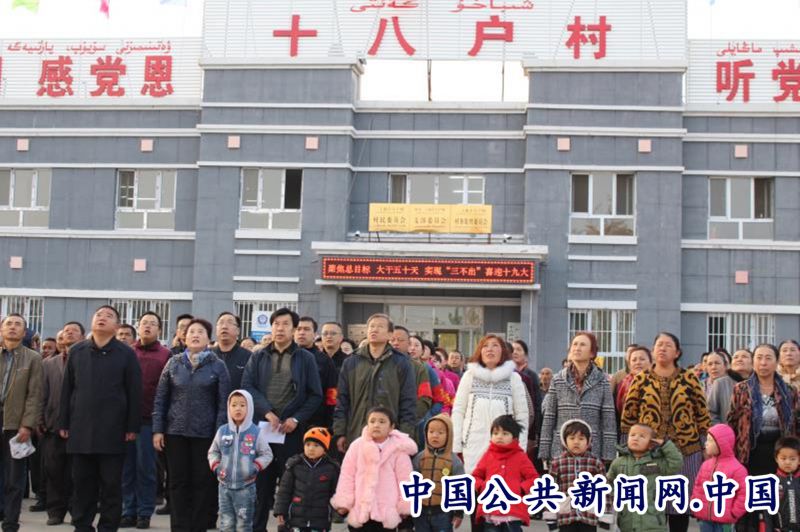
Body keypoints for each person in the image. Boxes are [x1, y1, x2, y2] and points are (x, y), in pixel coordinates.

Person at [59, 305, 143, 532]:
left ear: (116, 326)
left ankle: (108, 526)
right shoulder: (77, 351)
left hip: (113, 431)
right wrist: (63, 421)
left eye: (109, 316)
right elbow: (67, 389)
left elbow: (134, 391)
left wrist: (132, 426)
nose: (102, 318)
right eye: (99, 315)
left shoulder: (126, 354)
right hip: (81, 430)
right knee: (82, 485)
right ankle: (82, 525)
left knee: (111, 486)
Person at [241, 308, 323, 532]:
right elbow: (247, 386)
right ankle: (257, 527)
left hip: (290, 431)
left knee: (291, 483)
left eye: (285, 324)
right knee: (260, 483)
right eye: (276, 324)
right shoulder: (258, 356)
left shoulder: (305, 358)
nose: (280, 328)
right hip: (263, 428)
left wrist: (296, 419)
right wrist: (267, 412)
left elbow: (315, 395)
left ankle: (288, 526)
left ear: (294, 329)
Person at [621, 332, 710, 532]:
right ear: (653, 350)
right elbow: (629, 416)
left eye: (668, 345)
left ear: (677, 352)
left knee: (679, 506)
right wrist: (628, 447)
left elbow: (702, 415)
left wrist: (705, 445)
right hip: (649, 451)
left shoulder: (689, 378)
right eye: (659, 345)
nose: (662, 348)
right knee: (651, 505)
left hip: (686, 451)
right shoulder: (641, 379)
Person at [152, 318, 231, 532]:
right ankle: (179, 527)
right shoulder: (174, 363)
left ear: (208, 338)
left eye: (201, 332)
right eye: (191, 332)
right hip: (175, 432)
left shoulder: (217, 365)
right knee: (177, 482)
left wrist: (220, 434)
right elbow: (161, 398)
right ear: (184, 337)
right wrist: (158, 429)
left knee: (202, 482)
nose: (196, 335)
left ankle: (198, 526)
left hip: (206, 434)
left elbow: (223, 403)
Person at [334, 314, 416, 454]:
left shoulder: (401, 363)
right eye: (371, 326)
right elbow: (342, 399)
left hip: (389, 436)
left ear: (390, 334)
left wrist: (404, 435)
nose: (374, 329)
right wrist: (340, 432)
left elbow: (408, 403)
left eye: (380, 326)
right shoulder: (351, 362)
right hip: (357, 432)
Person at [121, 311, 171, 529]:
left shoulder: (165, 355)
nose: (147, 326)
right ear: (138, 327)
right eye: (144, 323)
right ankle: (128, 511)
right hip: (125, 420)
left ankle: (144, 512)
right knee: (126, 469)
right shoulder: (127, 352)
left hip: (149, 420)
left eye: (152, 323)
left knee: (146, 469)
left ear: (159, 329)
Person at [331, 407, 417, 531]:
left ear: (391, 427)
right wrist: (344, 501)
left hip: (386, 512)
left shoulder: (398, 449)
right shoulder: (357, 446)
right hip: (361, 510)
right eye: (372, 421)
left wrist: (405, 504)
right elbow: (347, 475)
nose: (376, 425)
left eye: (382, 422)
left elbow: (405, 478)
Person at [451, 334, 528, 473]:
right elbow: (458, 411)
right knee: (474, 483)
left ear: (503, 351)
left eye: (495, 345)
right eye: (485, 346)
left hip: (505, 447)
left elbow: (522, 415)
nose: (490, 349)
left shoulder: (514, 378)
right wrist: (456, 445)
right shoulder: (469, 376)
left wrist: (520, 448)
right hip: (472, 445)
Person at [539, 332, 616, 464]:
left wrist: (608, 454)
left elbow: (608, 419)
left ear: (592, 353)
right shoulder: (558, 380)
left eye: (582, 345)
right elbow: (549, 417)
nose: (577, 348)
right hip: (560, 450)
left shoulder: (602, 381)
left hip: (592, 450)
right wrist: (544, 450)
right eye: (574, 344)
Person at [0, 313, 44, 532]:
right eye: (8, 324)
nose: (13, 327)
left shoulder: (33, 358)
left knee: (14, 477)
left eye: (18, 324)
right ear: (1, 330)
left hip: (15, 424)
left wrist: (27, 425)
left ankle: (10, 522)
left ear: (24, 332)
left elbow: (35, 394)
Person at [728, 343, 799, 477]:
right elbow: (733, 421)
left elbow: (795, 423)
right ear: (753, 361)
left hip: (781, 453)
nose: (763, 363)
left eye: (768, 358)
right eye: (759, 358)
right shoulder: (741, 389)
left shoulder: (790, 391)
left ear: (777, 362)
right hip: (749, 451)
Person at [208, 390, 273, 532]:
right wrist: (216, 466)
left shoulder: (256, 432)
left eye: (243, 405)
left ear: (250, 408)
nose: (238, 409)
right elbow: (213, 451)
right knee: (226, 523)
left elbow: (267, 454)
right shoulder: (222, 431)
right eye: (234, 405)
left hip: (246, 487)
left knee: (244, 525)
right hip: (224, 487)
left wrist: (255, 466)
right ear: (228, 408)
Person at [40, 321, 83, 526]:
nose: (70, 333)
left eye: (75, 331)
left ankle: (77, 510)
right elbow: (42, 393)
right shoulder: (49, 363)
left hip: (79, 426)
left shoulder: (87, 361)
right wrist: (40, 419)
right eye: (67, 331)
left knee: (77, 473)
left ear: (82, 337)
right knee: (54, 471)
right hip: (53, 425)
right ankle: (55, 511)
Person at [607, 424, 682, 532]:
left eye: (642, 436)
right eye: (632, 435)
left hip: (653, 523)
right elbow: (609, 483)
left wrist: (665, 445)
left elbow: (676, 463)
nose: (636, 438)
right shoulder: (618, 462)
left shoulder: (657, 462)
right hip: (626, 523)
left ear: (651, 443)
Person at [472, 415, 539, 532]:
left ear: (514, 437)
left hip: (513, 510)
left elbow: (533, 478)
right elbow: (475, 476)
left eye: (505, 433)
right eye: (495, 433)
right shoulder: (488, 455)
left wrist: (521, 489)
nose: (499, 436)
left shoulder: (520, 457)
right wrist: (483, 487)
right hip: (491, 508)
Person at [273, 427, 340, 532]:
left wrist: (337, 512)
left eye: (316, 445)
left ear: (325, 449)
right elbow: (284, 491)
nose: (311, 449)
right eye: (308, 445)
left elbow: (336, 493)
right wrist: (280, 511)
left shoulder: (331, 468)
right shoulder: (294, 465)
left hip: (320, 520)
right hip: (296, 519)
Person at [544, 419, 605, 532]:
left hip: (588, 515)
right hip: (566, 515)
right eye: (572, 438)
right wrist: (550, 515)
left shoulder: (595, 463)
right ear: (564, 440)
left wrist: (605, 513)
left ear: (588, 441)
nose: (576, 442)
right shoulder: (557, 463)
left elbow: (604, 490)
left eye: (581, 439)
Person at [411, 414, 464, 532]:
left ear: (449, 435)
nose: (435, 435)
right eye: (431, 432)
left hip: (443, 513)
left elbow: (459, 487)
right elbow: (412, 483)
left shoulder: (454, 461)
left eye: (440, 432)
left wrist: (459, 513)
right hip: (421, 512)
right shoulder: (420, 458)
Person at [690, 424, 747, 532]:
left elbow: (744, 495)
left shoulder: (737, 469)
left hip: (724, 521)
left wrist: (733, 513)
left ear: (722, 443)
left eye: (710, 441)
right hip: (705, 519)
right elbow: (698, 487)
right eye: (707, 440)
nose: (706, 443)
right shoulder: (705, 465)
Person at [390, 328, 433, 444]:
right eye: (392, 340)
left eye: (400, 340)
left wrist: (407, 421)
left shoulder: (419, 369)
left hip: (407, 427)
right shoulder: (377, 366)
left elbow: (425, 399)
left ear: (408, 344)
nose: (395, 343)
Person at [295, 316, 338, 430]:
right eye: (298, 329)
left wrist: (329, 423)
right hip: (287, 419)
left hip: (315, 421)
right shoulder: (287, 356)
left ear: (315, 334)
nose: (302, 333)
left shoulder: (324, 360)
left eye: (306, 329)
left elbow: (332, 393)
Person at [708, 349, 753, 425]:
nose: (739, 359)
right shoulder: (720, 383)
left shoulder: (759, 382)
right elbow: (711, 412)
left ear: (753, 363)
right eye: (735, 357)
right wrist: (721, 429)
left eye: (744, 356)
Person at [213, 312, 252, 390]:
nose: (224, 326)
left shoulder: (249, 357)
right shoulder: (207, 355)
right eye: (221, 323)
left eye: (230, 322)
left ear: (238, 331)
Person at [614, 346, 651, 420]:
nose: (638, 362)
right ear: (629, 365)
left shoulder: (658, 382)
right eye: (634, 360)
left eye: (642, 359)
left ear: (651, 362)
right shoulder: (623, 383)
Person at [771, 436, 800, 532]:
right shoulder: (772, 481)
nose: (787, 462)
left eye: (792, 459)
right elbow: (767, 512)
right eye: (783, 458)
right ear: (776, 458)